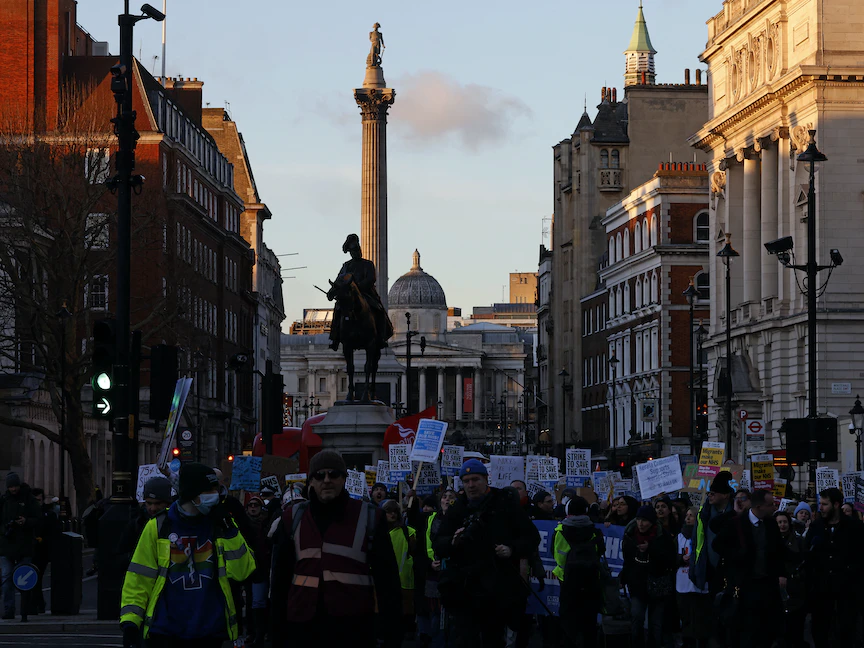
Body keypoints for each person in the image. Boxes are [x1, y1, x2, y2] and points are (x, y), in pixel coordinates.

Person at [270, 450, 401, 646]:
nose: (327, 480)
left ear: (344, 479)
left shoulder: (370, 517)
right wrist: (276, 633)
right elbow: (279, 580)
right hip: (302, 627)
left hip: (353, 628)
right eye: (320, 475)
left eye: (334, 474)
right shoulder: (292, 518)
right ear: (311, 482)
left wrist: (391, 635)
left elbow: (388, 581)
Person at [120, 463, 255, 648]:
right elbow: (139, 578)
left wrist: (230, 531)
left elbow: (242, 572)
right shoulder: (159, 527)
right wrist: (130, 622)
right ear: (192, 494)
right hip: (166, 632)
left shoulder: (221, 525)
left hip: (210, 632)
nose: (215, 496)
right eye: (209, 490)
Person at [434, 459, 540, 647]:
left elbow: (531, 537)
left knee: (493, 638)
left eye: (475, 479)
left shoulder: (504, 504)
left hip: (497, 587)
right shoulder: (457, 508)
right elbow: (439, 544)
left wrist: (511, 549)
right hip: (464, 588)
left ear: (485, 479)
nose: (471, 485)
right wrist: (452, 542)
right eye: (466, 481)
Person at [712, 489, 786, 648]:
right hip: (746, 586)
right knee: (747, 630)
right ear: (759, 506)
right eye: (770, 505)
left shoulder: (771, 524)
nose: (774, 508)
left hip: (767, 585)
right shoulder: (737, 523)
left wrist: (782, 573)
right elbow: (717, 544)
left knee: (766, 630)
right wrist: (736, 556)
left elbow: (779, 551)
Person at [804, 487, 864, 648]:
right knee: (820, 628)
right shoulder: (817, 526)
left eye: (824, 504)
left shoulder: (855, 527)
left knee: (847, 628)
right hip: (821, 587)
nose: (820, 508)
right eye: (820, 504)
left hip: (847, 587)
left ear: (836, 505)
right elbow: (807, 552)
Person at [552, 496, 605, 648]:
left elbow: (555, 554)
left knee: (568, 624)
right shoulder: (595, 531)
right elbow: (600, 552)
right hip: (591, 582)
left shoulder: (560, 531)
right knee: (589, 624)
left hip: (567, 582)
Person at [620, 505, 676, 648]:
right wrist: (623, 578)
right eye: (638, 520)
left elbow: (670, 559)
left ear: (651, 521)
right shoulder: (630, 535)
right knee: (636, 617)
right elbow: (628, 561)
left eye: (644, 520)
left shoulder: (663, 536)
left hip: (658, 585)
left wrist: (651, 549)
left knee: (655, 623)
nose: (641, 524)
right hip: (637, 585)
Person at [327, 234, 393, 352]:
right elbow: (339, 280)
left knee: (379, 309)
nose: (356, 252)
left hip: (366, 294)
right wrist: (331, 292)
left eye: (357, 250)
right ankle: (335, 338)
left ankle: (381, 337)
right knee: (338, 309)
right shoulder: (346, 266)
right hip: (349, 295)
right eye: (353, 250)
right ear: (350, 252)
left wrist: (357, 288)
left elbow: (371, 279)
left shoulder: (368, 264)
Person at [0, 473, 40, 619]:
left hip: (24, 544)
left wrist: (26, 521)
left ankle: (25, 609)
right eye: (11, 486)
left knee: (25, 581)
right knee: (6, 580)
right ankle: (9, 610)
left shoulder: (28, 499)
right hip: (7, 545)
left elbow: (38, 518)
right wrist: (5, 529)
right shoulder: (4, 500)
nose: (13, 489)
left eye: (15, 486)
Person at [689, 471, 734, 594]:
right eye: (709, 493)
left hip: (731, 569)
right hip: (709, 569)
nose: (709, 495)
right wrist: (695, 568)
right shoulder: (704, 514)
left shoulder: (736, 514)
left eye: (713, 493)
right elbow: (696, 542)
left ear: (725, 495)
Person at [675, 507, 710, 648]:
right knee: (686, 617)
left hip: (699, 584)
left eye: (692, 516)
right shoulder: (679, 537)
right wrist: (680, 558)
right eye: (687, 515)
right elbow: (671, 557)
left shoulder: (704, 534)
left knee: (700, 618)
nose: (688, 518)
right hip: (683, 583)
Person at [382, 499, 416, 636]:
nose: (392, 514)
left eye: (395, 511)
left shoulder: (408, 532)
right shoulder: (376, 532)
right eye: (388, 511)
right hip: (384, 580)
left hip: (404, 582)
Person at [774, 510, 807, 648]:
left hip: (796, 591)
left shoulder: (799, 541)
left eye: (784, 522)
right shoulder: (769, 541)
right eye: (779, 522)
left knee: (796, 628)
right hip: (776, 591)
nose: (782, 525)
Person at [118, 476, 174, 556]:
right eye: (149, 503)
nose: (153, 508)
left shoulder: (176, 523)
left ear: (168, 503)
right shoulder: (136, 524)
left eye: (158, 503)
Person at [244, 496, 273, 647]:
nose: (253, 507)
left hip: (262, 568)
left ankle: (261, 632)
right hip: (246, 569)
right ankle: (252, 632)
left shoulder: (266, 523)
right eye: (250, 505)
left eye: (256, 505)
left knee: (260, 601)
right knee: (251, 601)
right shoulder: (243, 524)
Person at [29, 488, 59, 615]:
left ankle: (38, 604)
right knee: (32, 579)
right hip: (30, 549)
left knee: (37, 578)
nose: (37, 502)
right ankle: (36, 604)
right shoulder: (30, 513)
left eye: (39, 500)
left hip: (42, 551)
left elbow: (53, 532)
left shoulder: (48, 514)